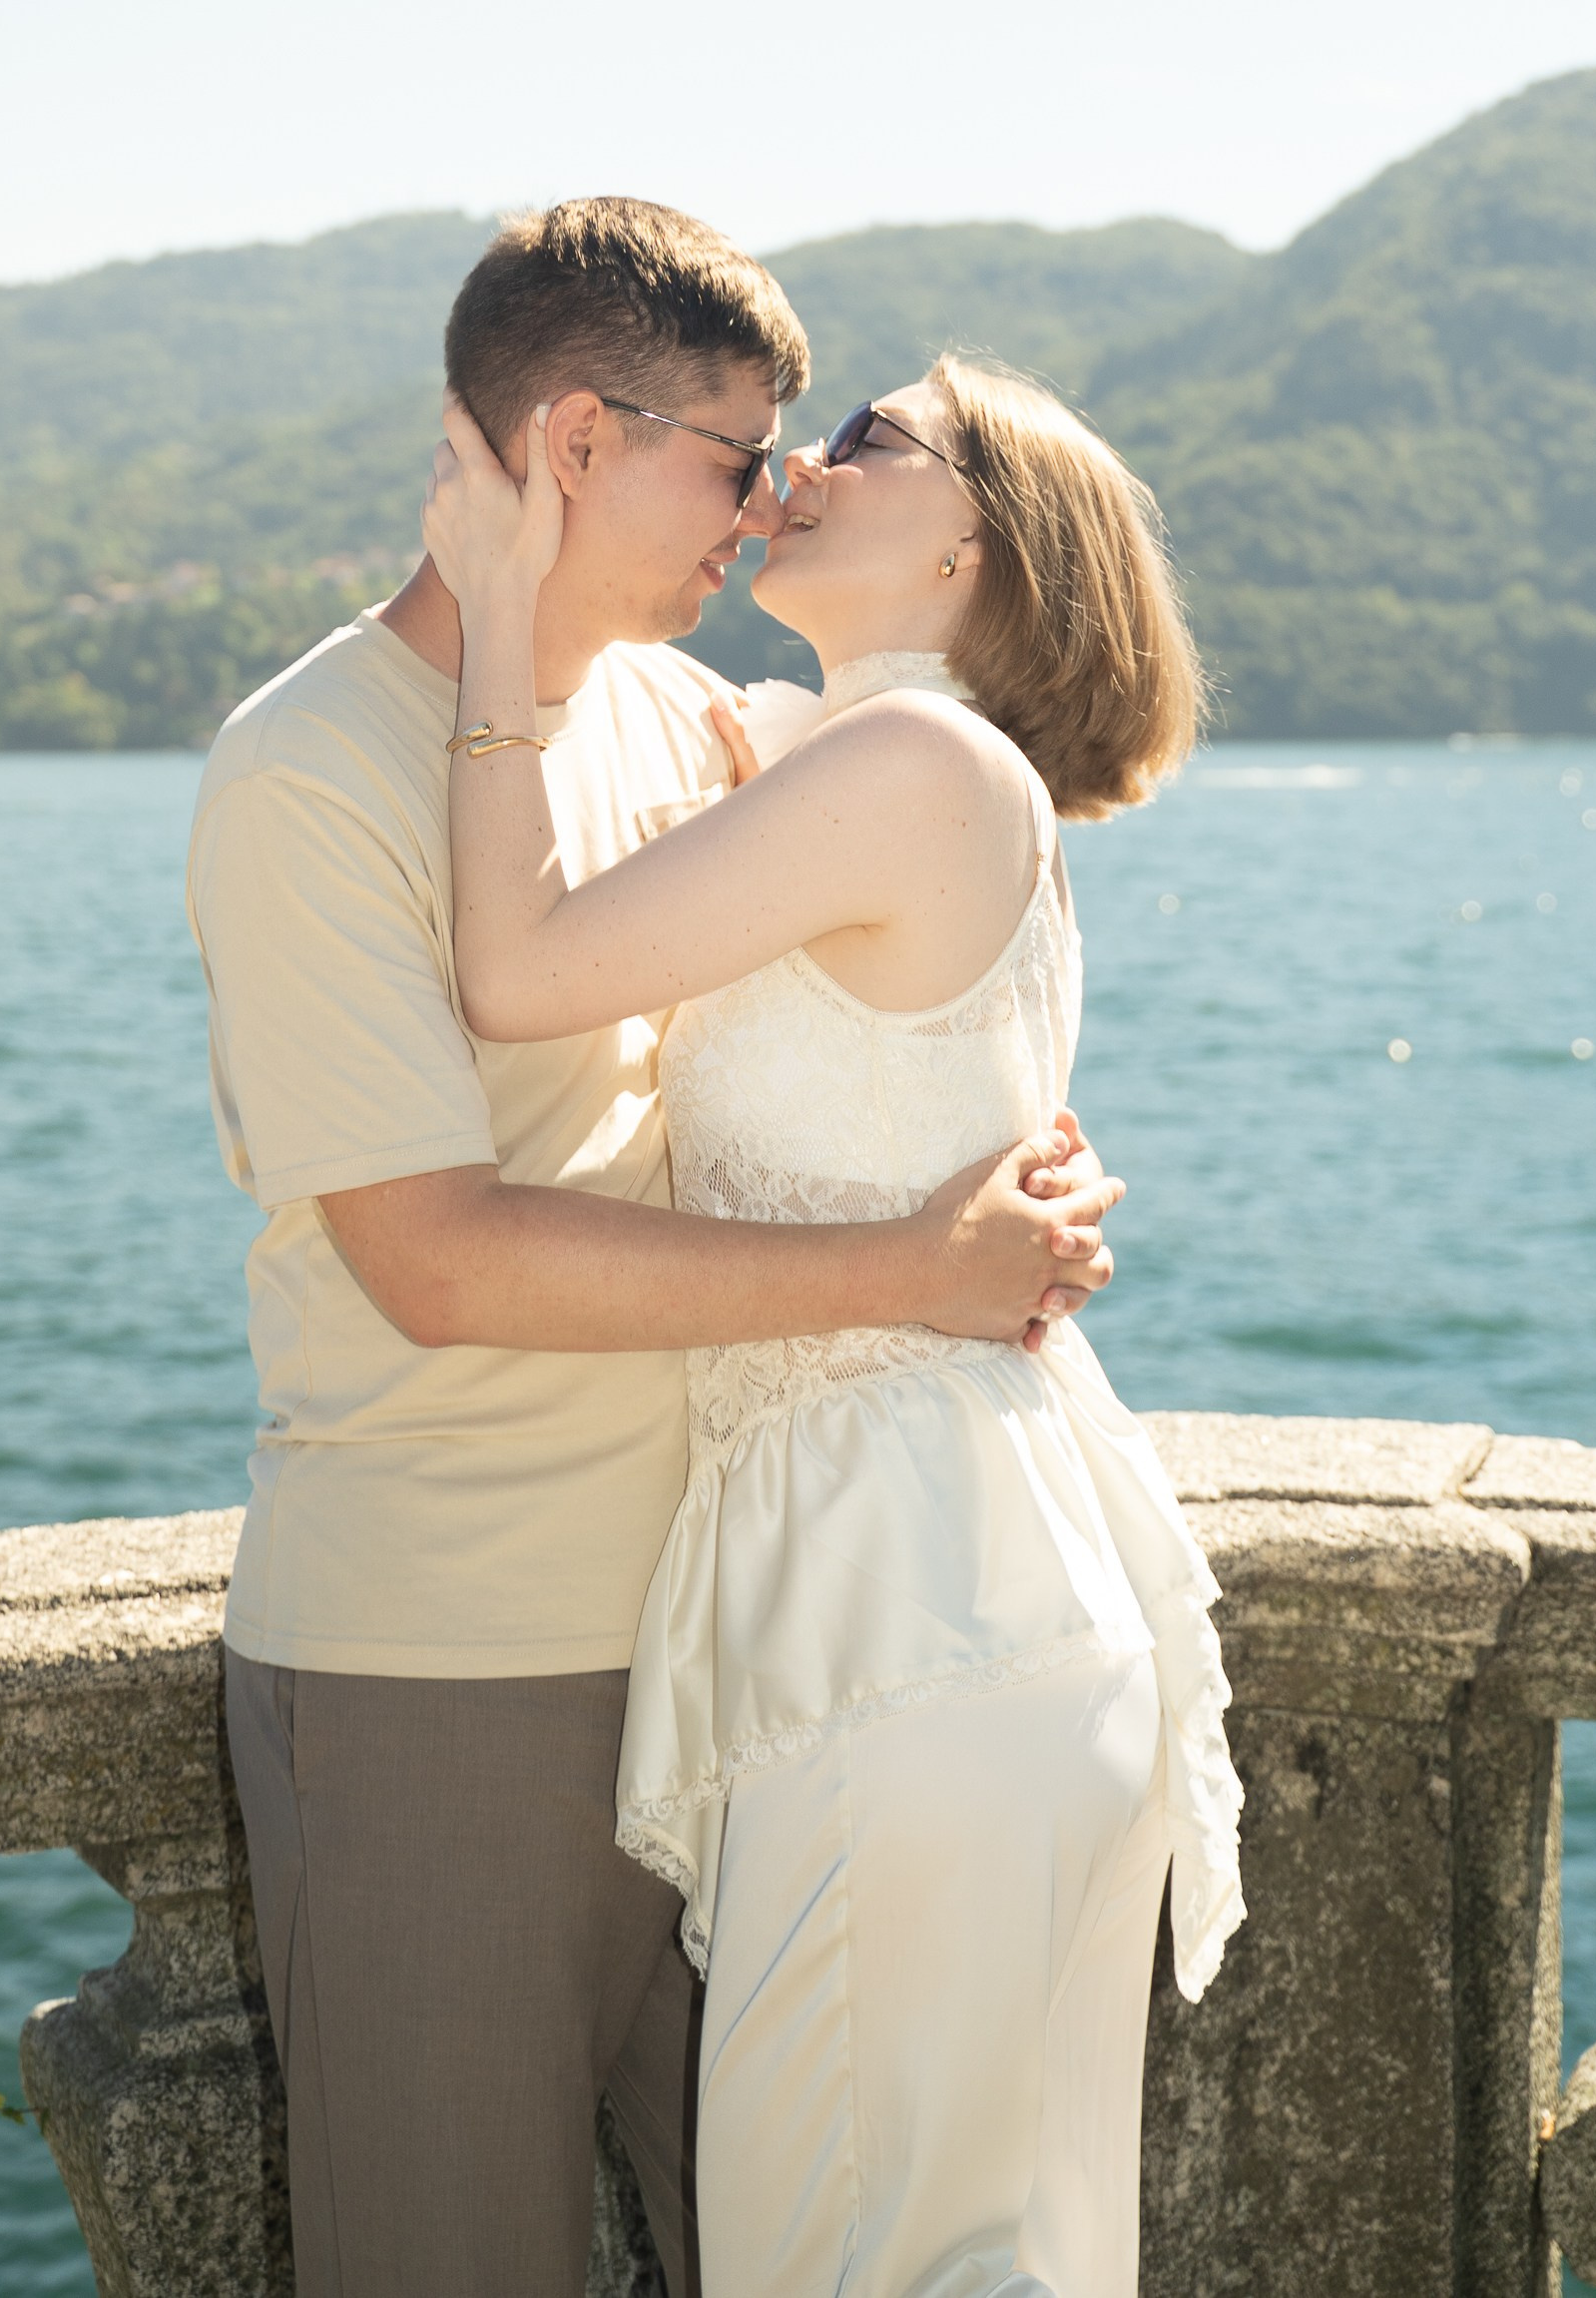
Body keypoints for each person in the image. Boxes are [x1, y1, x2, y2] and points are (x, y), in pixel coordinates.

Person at [190, 201, 1124, 2298]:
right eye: (732, 451)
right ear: (570, 447)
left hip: (754, 1655)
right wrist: (913, 1266)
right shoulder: (308, 775)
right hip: (447, 1670)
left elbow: (897, 987)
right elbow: (433, 1261)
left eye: (803, 447)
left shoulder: (676, 727)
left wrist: (996, 1167)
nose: (768, 495)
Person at [421, 351, 1245, 2298]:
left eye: (871, 438)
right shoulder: (868, 762)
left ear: (976, 539)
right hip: (945, 1584)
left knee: (856, 2260)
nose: (806, 457)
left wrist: (478, 623)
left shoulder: (912, 770)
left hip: (914, 1603)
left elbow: (517, 968)